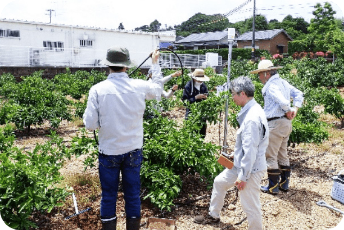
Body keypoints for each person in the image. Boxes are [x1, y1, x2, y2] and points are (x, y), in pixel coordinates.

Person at [83, 47, 163, 230]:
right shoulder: (139, 86)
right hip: (133, 150)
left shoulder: (97, 90)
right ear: (126, 66)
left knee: (109, 195)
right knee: (133, 193)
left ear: (108, 65)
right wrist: (155, 63)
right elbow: (157, 90)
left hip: (108, 152)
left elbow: (90, 125)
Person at [194, 76, 269, 230]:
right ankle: (213, 215)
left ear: (242, 94)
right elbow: (249, 145)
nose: (232, 97)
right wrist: (236, 155)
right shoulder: (252, 110)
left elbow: (251, 150)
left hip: (250, 169)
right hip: (241, 163)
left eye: (234, 93)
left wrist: (243, 177)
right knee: (219, 182)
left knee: (250, 205)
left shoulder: (252, 119)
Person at [250, 59, 304, 195]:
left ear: (267, 73)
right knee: (282, 153)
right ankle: (284, 184)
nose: (259, 77)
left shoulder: (271, 86)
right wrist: (295, 109)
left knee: (270, 156)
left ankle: (273, 187)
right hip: (286, 124)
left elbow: (283, 101)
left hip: (275, 123)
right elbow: (299, 94)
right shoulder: (283, 83)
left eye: (260, 74)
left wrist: (288, 109)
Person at [182, 69, 209, 137]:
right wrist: (195, 98)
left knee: (202, 132)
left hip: (202, 112)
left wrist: (206, 98)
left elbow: (207, 95)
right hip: (191, 112)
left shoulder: (203, 86)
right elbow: (185, 101)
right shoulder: (188, 86)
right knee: (190, 131)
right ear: (194, 79)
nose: (200, 81)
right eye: (199, 80)